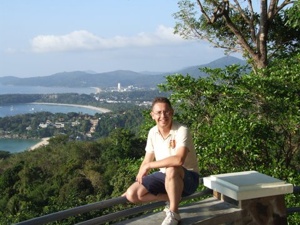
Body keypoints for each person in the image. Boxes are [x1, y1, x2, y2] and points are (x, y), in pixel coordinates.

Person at [123, 97, 200, 225]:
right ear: (152, 115)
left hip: (188, 178)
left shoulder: (181, 131)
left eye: (166, 112)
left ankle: (174, 213)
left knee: (172, 168)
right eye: (158, 112)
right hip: (164, 176)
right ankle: (172, 198)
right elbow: (147, 160)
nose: (162, 116)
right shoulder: (152, 133)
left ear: (172, 112)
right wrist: (138, 181)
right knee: (132, 195)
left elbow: (179, 160)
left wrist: (149, 165)